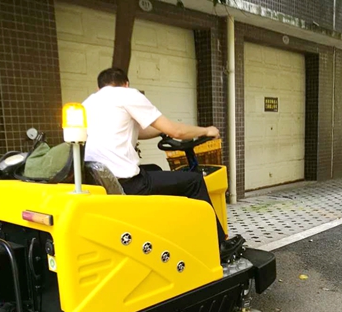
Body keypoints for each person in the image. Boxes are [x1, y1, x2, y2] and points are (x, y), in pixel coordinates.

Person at [82, 67, 243, 260]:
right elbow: (178, 132)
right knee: (194, 181)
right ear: (126, 84)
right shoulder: (127, 95)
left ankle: (177, 233)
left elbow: (137, 132)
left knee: (155, 170)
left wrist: (161, 130)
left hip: (102, 181)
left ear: (99, 87)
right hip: (129, 184)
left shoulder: (88, 103)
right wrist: (207, 130)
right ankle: (219, 245)